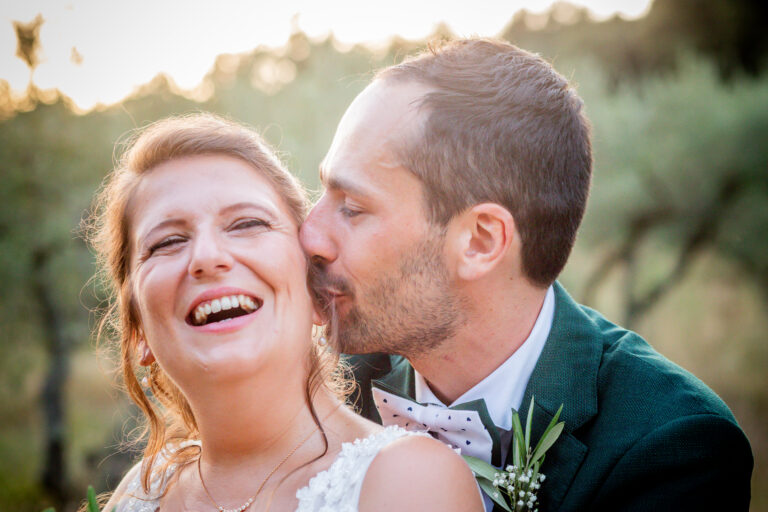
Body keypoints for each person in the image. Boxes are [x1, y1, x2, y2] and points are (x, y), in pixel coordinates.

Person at [300, 39, 754, 511]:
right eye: (322, 193)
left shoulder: (670, 449)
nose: (309, 234)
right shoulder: (322, 392)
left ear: (480, 241)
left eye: (352, 208)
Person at [90, 113, 483, 512]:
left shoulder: (409, 482)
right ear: (137, 330)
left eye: (246, 223)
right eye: (168, 242)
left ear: (317, 291)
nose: (207, 257)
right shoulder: (138, 495)